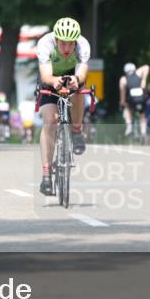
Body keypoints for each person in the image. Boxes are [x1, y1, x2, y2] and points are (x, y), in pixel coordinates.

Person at [36, 17, 91, 195]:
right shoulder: (45, 43)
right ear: (56, 39)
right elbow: (45, 75)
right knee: (50, 121)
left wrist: (76, 80)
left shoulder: (83, 45)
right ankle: (46, 174)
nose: (67, 48)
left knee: (81, 91)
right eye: (63, 44)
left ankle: (76, 131)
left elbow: (82, 72)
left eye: (70, 44)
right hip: (50, 80)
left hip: (71, 77)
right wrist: (54, 81)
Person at [119, 62, 150, 138]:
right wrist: (144, 79)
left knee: (128, 111)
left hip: (131, 100)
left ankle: (129, 126)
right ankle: (143, 132)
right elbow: (146, 66)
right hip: (141, 99)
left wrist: (123, 103)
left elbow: (122, 93)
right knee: (142, 115)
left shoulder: (123, 79)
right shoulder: (138, 73)